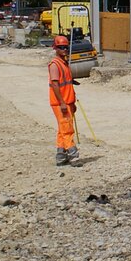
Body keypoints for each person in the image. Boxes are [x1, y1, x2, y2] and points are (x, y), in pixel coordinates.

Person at [48, 35, 81, 166]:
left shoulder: (64, 63)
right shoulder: (55, 65)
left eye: (66, 47)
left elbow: (64, 82)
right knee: (67, 130)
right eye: (61, 47)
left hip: (68, 101)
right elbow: (55, 84)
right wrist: (62, 103)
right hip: (61, 103)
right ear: (55, 48)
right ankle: (74, 156)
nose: (64, 50)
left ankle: (61, 156)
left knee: (63, 129)